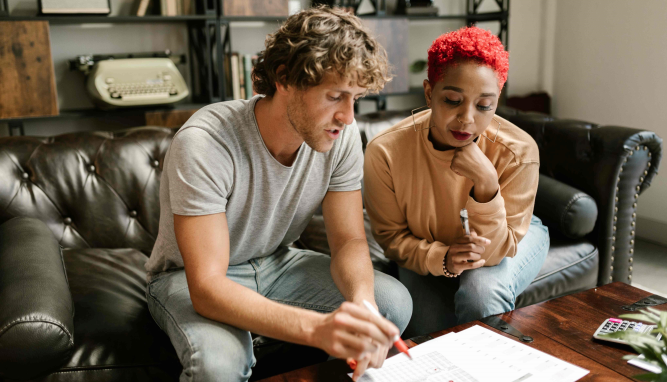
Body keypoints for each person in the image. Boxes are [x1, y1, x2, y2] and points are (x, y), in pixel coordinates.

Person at [144, 6, 412, 382]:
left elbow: (350, 239)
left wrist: (362, 303)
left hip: (277, 263)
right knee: (217, 366)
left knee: (389, 303)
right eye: (335, 96)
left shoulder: (343, 135)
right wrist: (317, 329)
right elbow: (207, 287)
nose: (349, 116)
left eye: (356, 98)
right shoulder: (204, 143)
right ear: (285, 78)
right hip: (189, 278)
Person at [363, 26, 549, 332]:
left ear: (497, 101)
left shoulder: (519, 150)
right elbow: (391, 238)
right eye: (452, 100)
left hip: (514, 236)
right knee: (431, 331)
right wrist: (443, 258)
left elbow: (495, 252)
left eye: (484, 106)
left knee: (481, 294)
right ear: (428, 92)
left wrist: (487, 183)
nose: (467, 118)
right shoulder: (385, 151)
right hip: (428, 244)